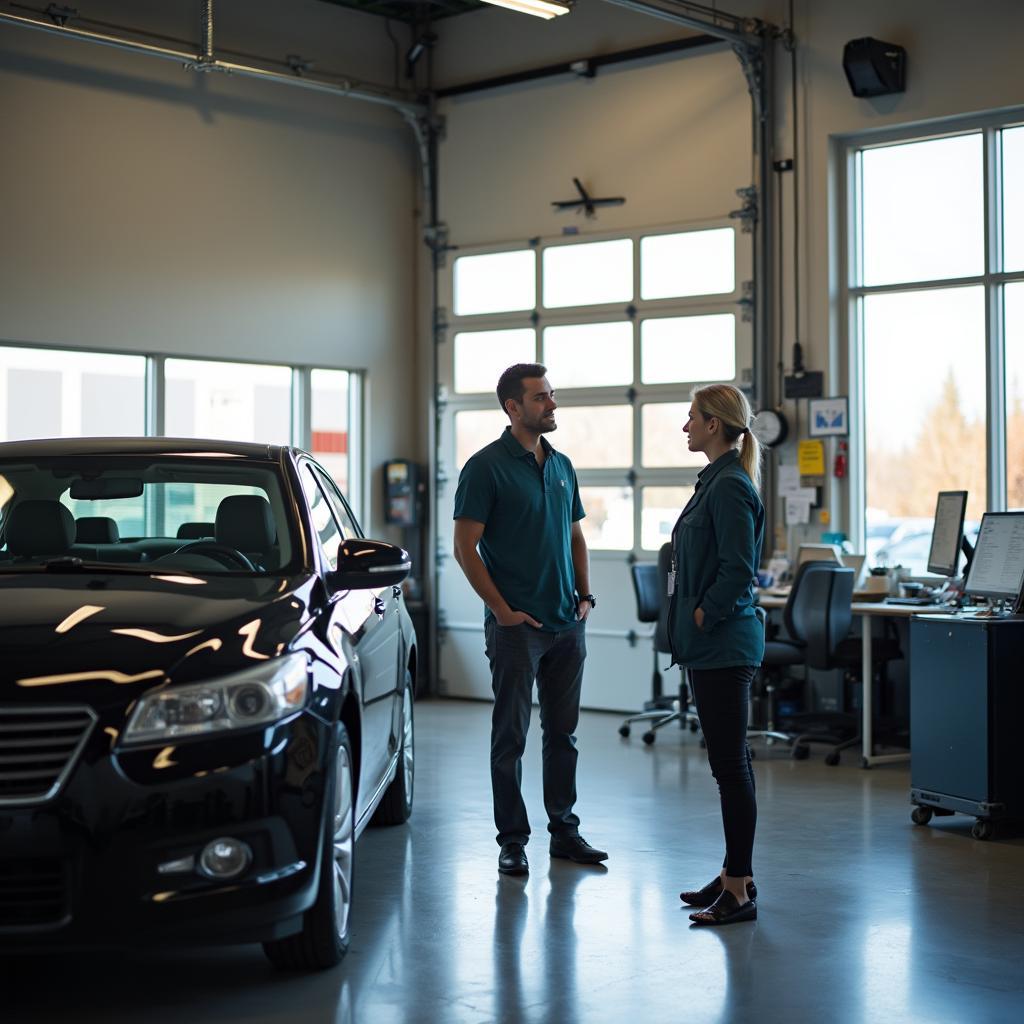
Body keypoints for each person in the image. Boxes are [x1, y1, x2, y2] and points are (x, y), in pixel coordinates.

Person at [453, 363, 607, 876]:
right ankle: (512, 840)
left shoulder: (561, 465)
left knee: (563, 735)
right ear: (512, 407)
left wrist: (584, 596)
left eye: (552, 395)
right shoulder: (485, 467)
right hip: (519, 629)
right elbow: (464, 547)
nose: (552, 404)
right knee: (510, 737)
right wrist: (501, 611)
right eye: (541, 398)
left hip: (568, 624)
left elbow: (576, 536)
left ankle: (564, 831)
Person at [669, 383, 765, 926]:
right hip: (710, 646)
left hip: (723, 644)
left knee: (731, 766)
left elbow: (736, 568)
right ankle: (736, 873)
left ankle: (738, 889)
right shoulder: (717, 480)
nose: (685, 427)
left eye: (691, 418)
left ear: (713, 424)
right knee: (728, 765)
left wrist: (705, 612)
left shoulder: (728, 486)